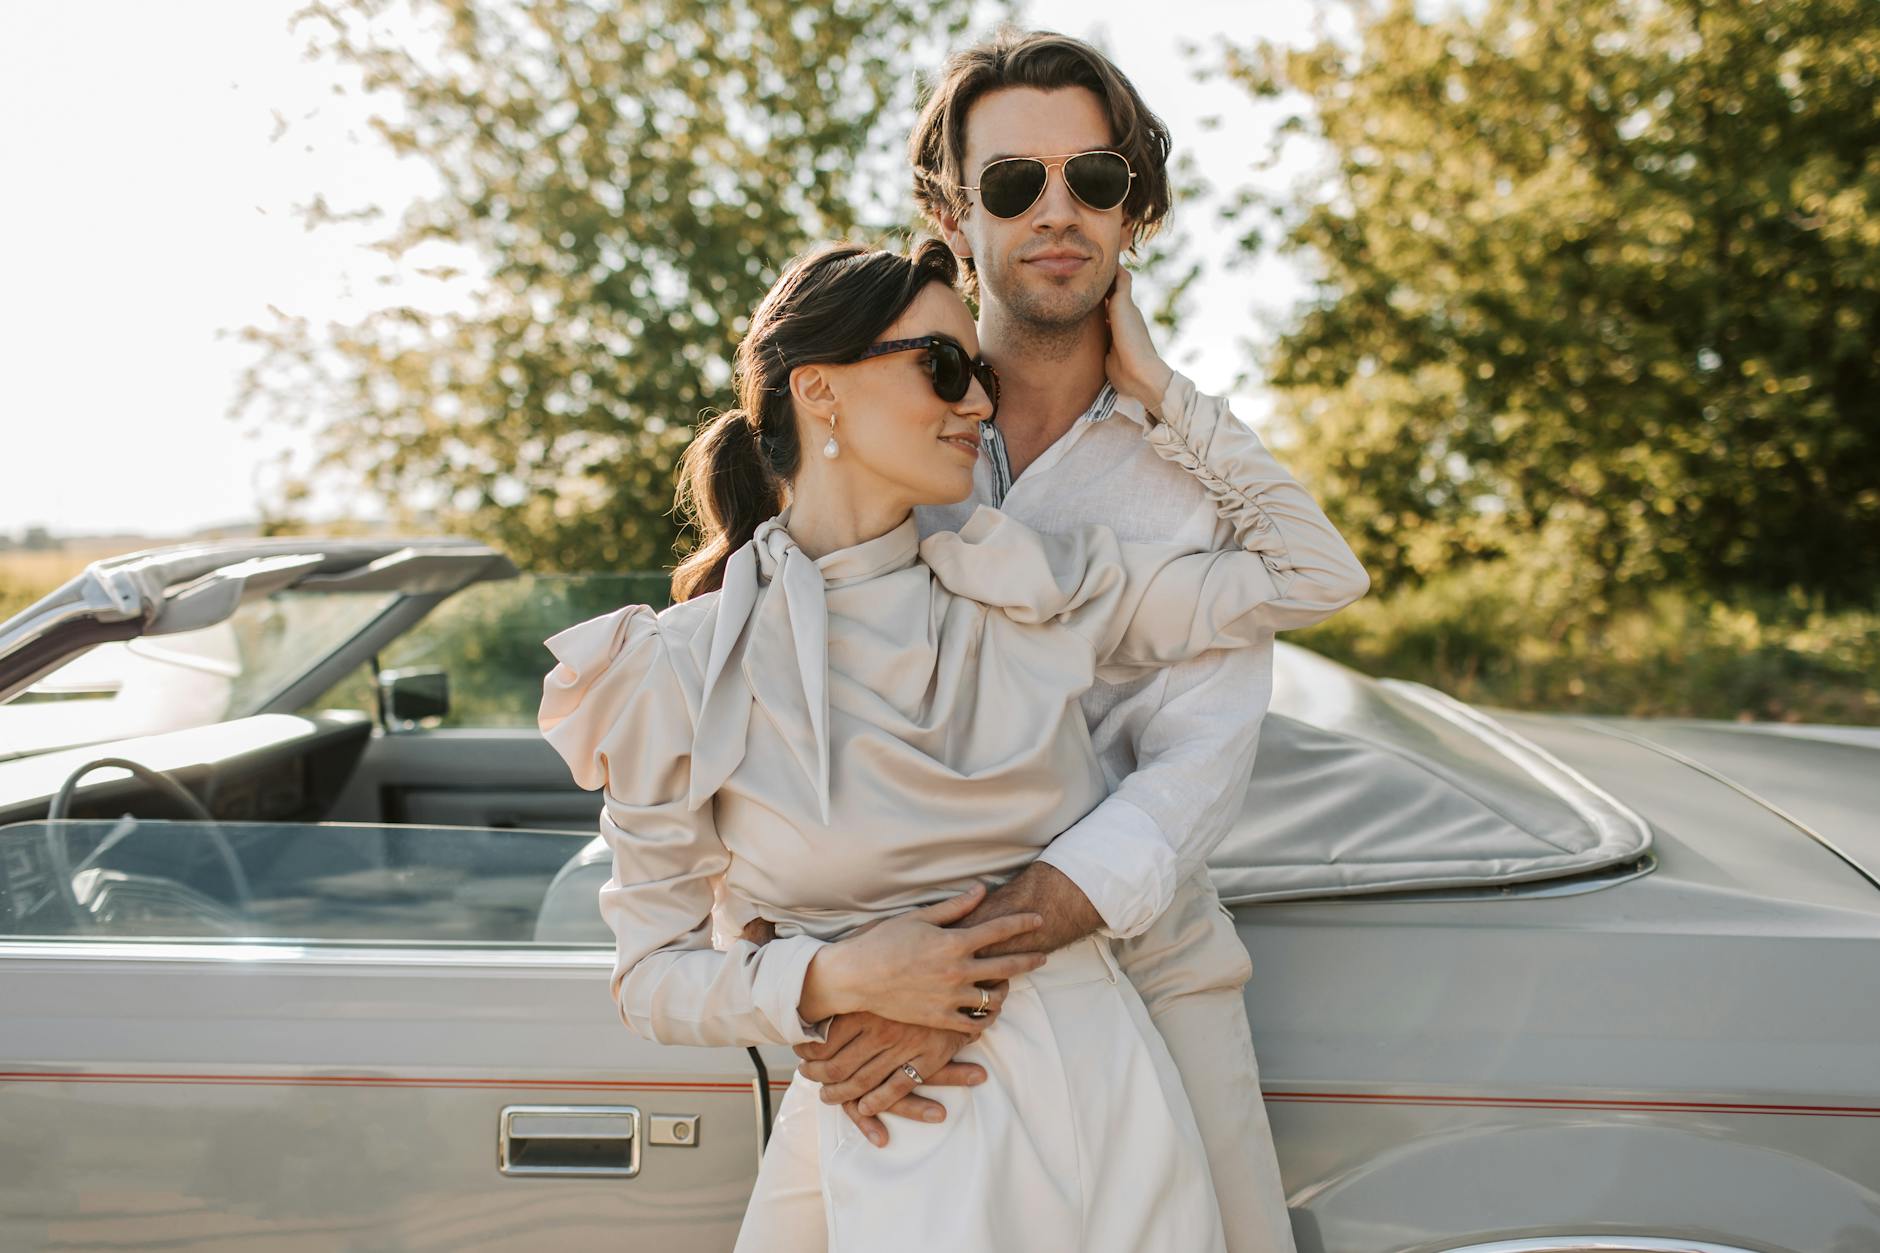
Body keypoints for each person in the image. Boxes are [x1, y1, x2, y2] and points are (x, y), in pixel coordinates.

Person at [537, 238, 1366, 1251]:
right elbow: (651, 977)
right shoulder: (672, 670)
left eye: (978, 368)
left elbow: (1315, 572)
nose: (975, 399)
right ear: (819, 391)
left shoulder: (1021, 585)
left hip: (1102, 1101)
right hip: (897, 1133)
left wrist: (1156, 386)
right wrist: (834, 980)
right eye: (940, 365)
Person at [781, 29, 1309, 1253]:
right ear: (947, 208)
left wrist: (955, 975)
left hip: (1145, 980)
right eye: (1013, 183)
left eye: (1096, 179)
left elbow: (1189, 779)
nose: (1056, 211)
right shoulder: (871, 442)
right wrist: (864, 977)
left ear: (1137, 209)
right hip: (885, 995)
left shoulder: (1202, 489)